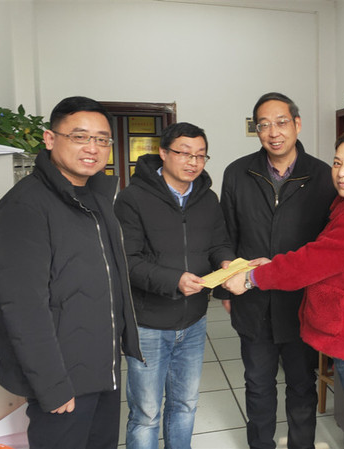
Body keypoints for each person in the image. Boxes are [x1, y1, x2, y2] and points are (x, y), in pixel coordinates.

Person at [224, 130, 344, 449]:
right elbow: (327, 254)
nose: (341, 172)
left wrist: (252, 278)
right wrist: (272, 263)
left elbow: (312, 262)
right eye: (337, 162)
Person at [0, 96, 143, 449]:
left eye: (102, 139)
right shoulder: (25, 206)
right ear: (50, 139)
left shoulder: (97, 198)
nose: (93, 148)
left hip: (102, 366)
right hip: (63, 378)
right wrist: (52, 385)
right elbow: (23, 307)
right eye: (80, 137)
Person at [219, 92, 337, 449]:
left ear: (297, 124)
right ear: (256, 130)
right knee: (258, 384)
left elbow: (329, 245)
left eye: (281, 122)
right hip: (253, 301)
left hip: (302, 302)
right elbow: (225, 236)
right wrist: (225, 288)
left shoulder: (323, 176)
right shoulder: (238, 172)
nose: (273, 132)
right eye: (264, 125)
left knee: (302, 384)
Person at [114, 122, 235, 448]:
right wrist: (174, 281)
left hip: (194, 321)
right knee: (146, 414)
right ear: (163, 153)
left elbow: (218, 244)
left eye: (200, 155)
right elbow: (127, 261)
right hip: (149, 324)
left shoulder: (207, 199)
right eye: (184, 153)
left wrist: (226, 262)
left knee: (185, 404)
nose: (193, 162)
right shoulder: (132, 199)